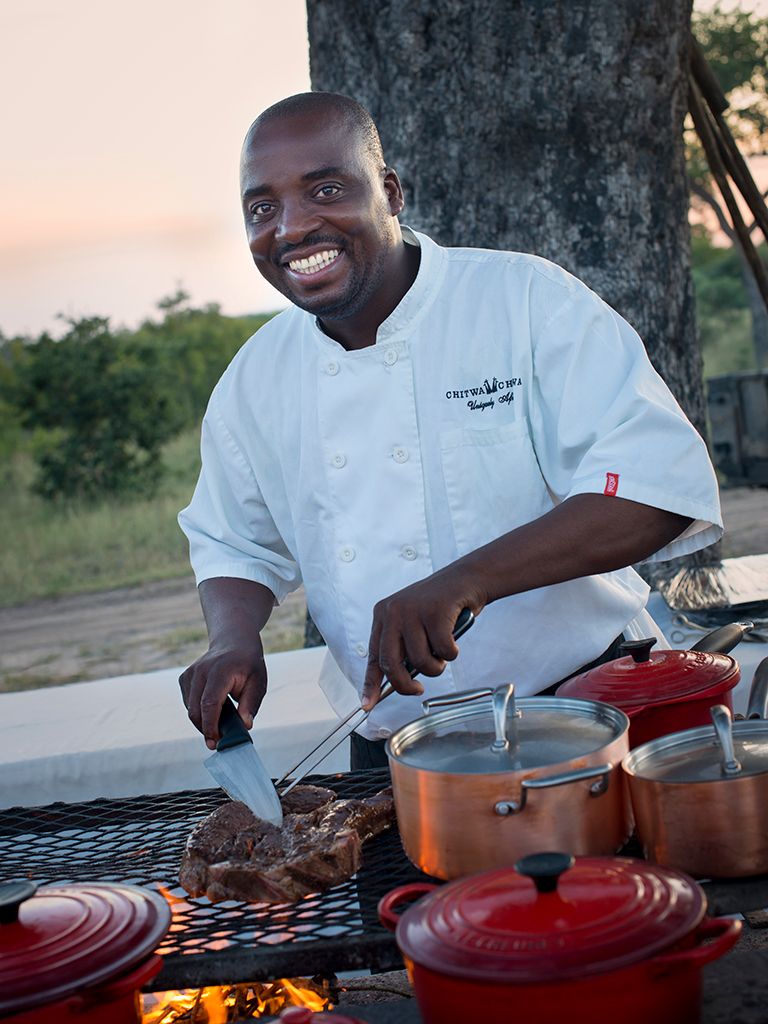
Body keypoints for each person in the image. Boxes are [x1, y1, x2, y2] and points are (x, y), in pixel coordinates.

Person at [178, 91, 722, 770]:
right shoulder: (255, 378)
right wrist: (232, 639)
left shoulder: (523, 301)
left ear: (390, 192)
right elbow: (234, 541)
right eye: (262, 208)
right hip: (398, 749)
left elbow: (657, 486)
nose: (291, 227)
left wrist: (466, 580)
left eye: (325, 188)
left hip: (587, 712)